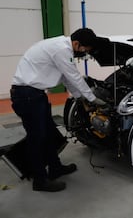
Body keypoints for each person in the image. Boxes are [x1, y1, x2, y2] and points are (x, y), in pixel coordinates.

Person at [10, 28, 106, 192]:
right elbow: (74, 75)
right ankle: (39, 180)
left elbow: (66, 78)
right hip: (27, 95)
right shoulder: (62, 49)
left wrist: (80, 98)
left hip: (35, 95)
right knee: (37, 138)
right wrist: (91, 98)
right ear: (77, 44)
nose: (84, 53)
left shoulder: (61, 47)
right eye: (85, 50)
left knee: (48, 134)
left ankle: (55, 168)